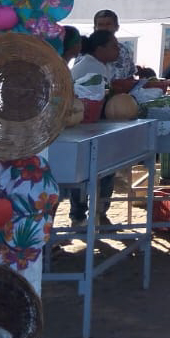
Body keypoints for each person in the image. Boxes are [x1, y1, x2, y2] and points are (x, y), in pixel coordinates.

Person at [67, 30, 121, 228]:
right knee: (86, 173)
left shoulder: (98, 65)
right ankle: (81, 216)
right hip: (81, 128)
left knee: (96, 171)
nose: (117, 50)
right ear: (100, 49)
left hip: (90, 127)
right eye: (113, 46)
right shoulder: (91, 67)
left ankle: (91, 215)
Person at [93, 9, 139, 94]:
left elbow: (130, 78)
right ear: (95, 28)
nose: (104, 28)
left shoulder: (124, 50)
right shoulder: (85, 51)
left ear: (117, 27)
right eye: (100, 25)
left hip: (120, 100)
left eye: (108, 24)